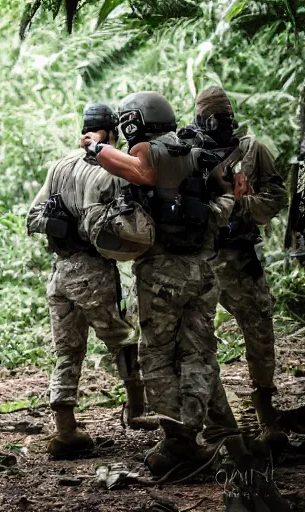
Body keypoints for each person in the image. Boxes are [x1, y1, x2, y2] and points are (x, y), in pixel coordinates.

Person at [81, 92, 240, 476]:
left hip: (163, 275)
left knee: (157, 354)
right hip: (202, 269)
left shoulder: (153, 153)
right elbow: (231, 193)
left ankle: (179, 442)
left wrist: (99, 147)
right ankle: (219, 435)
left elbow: (142, 171)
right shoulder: (195, 151)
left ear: (136, 120)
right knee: (199, 352)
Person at [26, 104, 158, 460]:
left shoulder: (59, 167)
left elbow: (33, 217)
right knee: (123, 339)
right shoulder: (110, 171)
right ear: (112, 133)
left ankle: (66, 430)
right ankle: (137, 409)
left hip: (59, 273)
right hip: (93, 272)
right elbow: (118, 225)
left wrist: (59, 224)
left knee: (67, 351)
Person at [180, 86, 288, 454]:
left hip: (240, 258)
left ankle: (265, 411)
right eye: (215, 118)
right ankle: (216, 423)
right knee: (198, 343)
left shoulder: (252, 150)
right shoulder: (185, 151)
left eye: (226, 117)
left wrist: (242, 204)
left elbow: (276, 197)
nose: (222, 124)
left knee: (260, 330)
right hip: (200, 261)